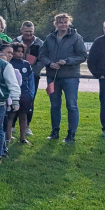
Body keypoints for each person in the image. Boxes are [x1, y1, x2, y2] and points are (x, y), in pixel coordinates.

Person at [39, 13, 87, 143]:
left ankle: (71, 134)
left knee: (71, 105)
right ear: (56, 24)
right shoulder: (49, 38)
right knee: (55, 105)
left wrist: (67, 61)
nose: (63, 24)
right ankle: (55, 131)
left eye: (65, 22)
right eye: (60, 22)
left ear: (69, 23)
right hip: (53, 77)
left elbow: (83, 55)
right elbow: (42, 55)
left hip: (70, 77)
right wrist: (49, 63)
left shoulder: (76, 37)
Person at [13, 21, 43, 136]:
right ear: (21, 31)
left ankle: (27, 126)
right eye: (26, 32)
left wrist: (33, 71)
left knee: (30, 100)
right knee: (14, 98)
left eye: (30, 32)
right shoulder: (15, 41)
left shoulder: (39, 43)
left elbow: (42, 58)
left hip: (33, 76)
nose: (29, 34)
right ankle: (12, 125)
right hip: (15, 76)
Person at [8, 42, 35, 144]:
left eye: (21, 51)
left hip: (24, 94)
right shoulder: (9, 63)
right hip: (12, 94)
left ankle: (23, 138)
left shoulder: (26, 64)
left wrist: (31, 93)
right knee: (11, 115)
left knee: (23, 116)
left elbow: (30, 79)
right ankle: (8, 137)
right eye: (17, 51)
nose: (20, 53)